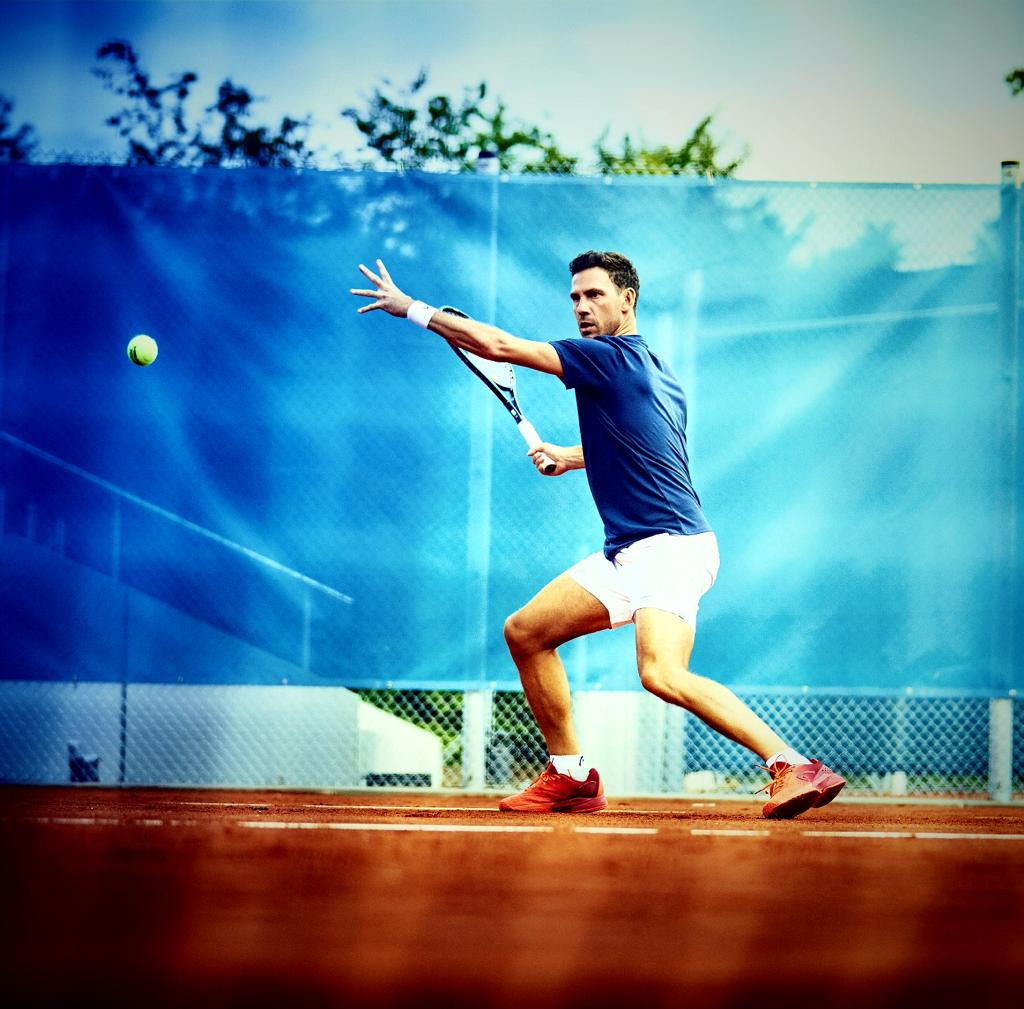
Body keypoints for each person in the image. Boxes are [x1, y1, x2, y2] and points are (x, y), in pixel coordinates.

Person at [350, 251, 846, 819]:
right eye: (575, 298)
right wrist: (569, 456)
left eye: (595, 296)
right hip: (631, 550)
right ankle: (572, 776)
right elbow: (645, 449)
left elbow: (503, 348)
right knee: (527, 632)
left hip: (669, 547)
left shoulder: (607, 358)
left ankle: (792, 764)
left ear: (626, 299)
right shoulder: (656, 370)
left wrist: (411, 308)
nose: (582, 308)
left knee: (661, 673)